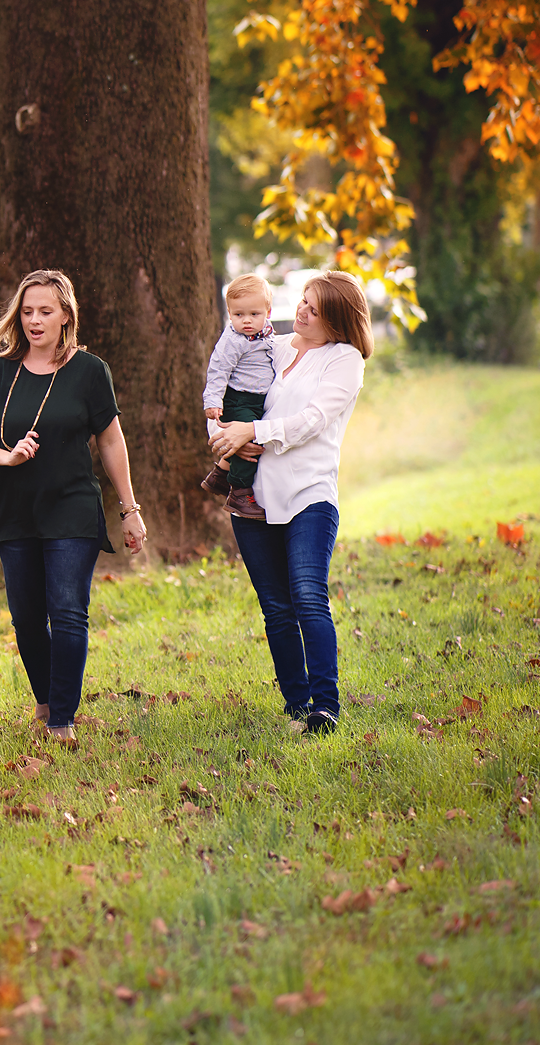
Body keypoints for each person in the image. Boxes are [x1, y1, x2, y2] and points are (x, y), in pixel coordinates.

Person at [0, 269, 146, 746]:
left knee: (67, 611)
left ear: (66, 315)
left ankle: (62, 718)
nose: (35, 320)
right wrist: (7, 456)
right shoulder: (1, 369)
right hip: (16, 509)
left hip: (72, 508)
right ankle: (44, 702)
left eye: (45, 311)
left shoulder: (89, 371)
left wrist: (129, 509)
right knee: (25, 616)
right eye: (27, 312)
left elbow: (110, 440)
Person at [209, 270, 372, 736]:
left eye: (314, 308)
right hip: (254, 496)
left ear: (337, 320)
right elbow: (227, 384)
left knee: (307, 596)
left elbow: (314, 420)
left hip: (309, 495)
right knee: (276, 608)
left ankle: (326, 706)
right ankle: (297, 705)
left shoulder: (345, 360)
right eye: (302, 301)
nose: (301, 311)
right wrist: (223, 436)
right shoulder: (274, 345)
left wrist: (254, 432)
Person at [198, 274, 280, 520]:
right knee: (251, 444)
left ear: (268, 311)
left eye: (254, 314)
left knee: (259, 437)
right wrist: (212, 401)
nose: (246, 321)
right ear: (229, 313)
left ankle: (219, 476)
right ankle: (240, 493)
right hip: (239, 398)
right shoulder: (233, 340)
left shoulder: (267, 334)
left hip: (256, 400)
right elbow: (218, 370)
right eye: (238, 315)